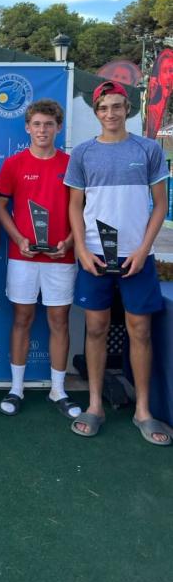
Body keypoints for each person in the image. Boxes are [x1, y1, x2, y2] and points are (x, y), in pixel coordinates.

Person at [65, 81, 172, 445]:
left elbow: (160, 205)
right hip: (95, 257)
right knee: (95, 329)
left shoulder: (147, 149)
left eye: (117, 106)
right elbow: (74, 206)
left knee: (139, 330)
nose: (110, 113)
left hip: (137, 257)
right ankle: (94, 405)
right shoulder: (82, 153)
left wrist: (143, 249)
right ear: (96, 113)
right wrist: (81, 248)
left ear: (127, 109)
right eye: (104, 108)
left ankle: (144, 411)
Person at [0, 99, 80, 419]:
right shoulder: (14, 164)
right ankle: (17, 388)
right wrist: (18, 238)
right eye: (37, 124)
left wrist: (70, 240)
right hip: (23, 257)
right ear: (27, 128)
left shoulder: (72, 164)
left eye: (49, 124)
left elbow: (81, 210)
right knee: (22, 319)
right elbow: (1, 207)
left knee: (59, 321)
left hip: (62, 257)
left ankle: (58, 389)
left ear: (58, 128)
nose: (42, 130)